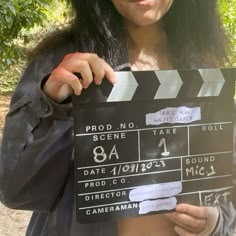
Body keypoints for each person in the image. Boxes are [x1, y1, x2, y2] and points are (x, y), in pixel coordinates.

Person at [0, 0, 236, 235]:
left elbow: (225, 184)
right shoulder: (61, 63)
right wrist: (51, 102)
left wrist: (215, 221)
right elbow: (15, 191)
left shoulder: (206, 68)